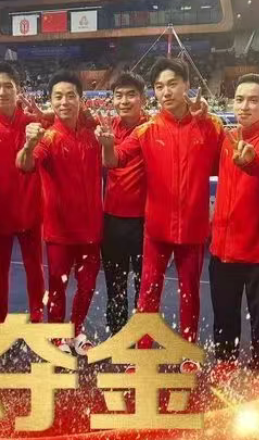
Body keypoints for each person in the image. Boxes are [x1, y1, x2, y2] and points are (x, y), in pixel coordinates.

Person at [98, 58, 223, 370]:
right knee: (147, 295)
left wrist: (207, 117)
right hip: (155, 230)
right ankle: (142, 353)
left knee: (189, 294)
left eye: (172, 84)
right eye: (159, 86)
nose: (166, 92)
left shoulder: (210, 126)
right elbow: (114, 161)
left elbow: (231, 159)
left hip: (193, 229)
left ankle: (188, 351)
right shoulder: (146, 131)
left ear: (186, 85)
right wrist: (107, 145)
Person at [16, 70, 102, 355]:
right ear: (51, 101)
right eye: (58, 97)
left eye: (70, 96)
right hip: (59, 231)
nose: (64, 102)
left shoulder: (94, 134)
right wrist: (28, 144)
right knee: (58, 287)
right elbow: (25, 165)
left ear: (80, 99)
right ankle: (56, 335)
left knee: (87, 286)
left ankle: (76, 331)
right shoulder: (47, 138)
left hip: (91, 229)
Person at [209, 74, 259, 381]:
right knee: (224, 316)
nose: (245, 106)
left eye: (253, 100)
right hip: (223, 249)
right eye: (239, 99)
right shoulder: (227, 138)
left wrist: (252, 162)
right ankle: (224, 365)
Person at [0, 62, 48, 324]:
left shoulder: (35, 123)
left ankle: (37, 315)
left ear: (18, 89)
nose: (2, 92)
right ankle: (0, 319)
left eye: (8, 86)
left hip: (32, 209)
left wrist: (45, 116)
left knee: (35, 268)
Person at [100, 72, 149, 335]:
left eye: (131, 95)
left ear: (143, 99)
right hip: (112, 219)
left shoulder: (152, 128)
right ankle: (117, 332)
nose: (124, 100)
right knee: (115, 282)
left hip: (145, 221)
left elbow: (113, 158)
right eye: (118, 95)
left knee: (145, 284)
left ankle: (142, 336)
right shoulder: (106, 126)